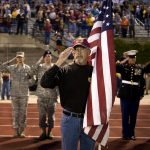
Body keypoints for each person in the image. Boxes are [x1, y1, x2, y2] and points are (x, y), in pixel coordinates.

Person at [41, 37, 95, 150]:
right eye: (76, 49)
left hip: (90, 120)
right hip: (70, 119)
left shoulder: (94, 71)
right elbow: (45, 83)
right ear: (73, 52)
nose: (79, 52)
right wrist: (59, 62)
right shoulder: (64, 70)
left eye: (82, 49)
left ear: (89, 52)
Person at [0, 52, 31, 137]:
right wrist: (10, 60)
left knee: (23, 113)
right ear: (16, 58)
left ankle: (22, 131)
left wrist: (29, 82)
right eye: (18, 58)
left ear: (24, 58)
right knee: (15, 113)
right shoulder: (12, 68)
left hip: (24, 95)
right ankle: (16, 130)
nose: (20, 59)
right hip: (14, 94)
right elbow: (1, 68)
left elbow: (32, 79)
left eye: (21, 57)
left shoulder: (28, 68)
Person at [116, 50, 145, 140]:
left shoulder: (139, 68)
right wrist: (125, 59)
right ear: (128, 58)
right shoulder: (123, 67)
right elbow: (115, 66)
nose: (132, 60)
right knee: (125, 115)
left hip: (135, 95)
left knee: (133, 115)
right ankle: (125, 134)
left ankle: (131, 133)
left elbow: (142, 81)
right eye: (130, 58)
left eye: (133, 58)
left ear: (135, 58)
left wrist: (141, 94)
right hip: (125, 94)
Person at [31, 50, 58, 140]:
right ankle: (43, 132)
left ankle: (50, 132)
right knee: (42, 116)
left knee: (51, 117)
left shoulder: (55, 67)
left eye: (49, 56)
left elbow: (58, 81)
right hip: (41, 96)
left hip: (52, 96)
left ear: (51, 57)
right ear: (43, 58)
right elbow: (32, 70)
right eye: (46, 56)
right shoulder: (40, 67)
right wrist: (39, 60)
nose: (47, 57)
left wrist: (57, 95)